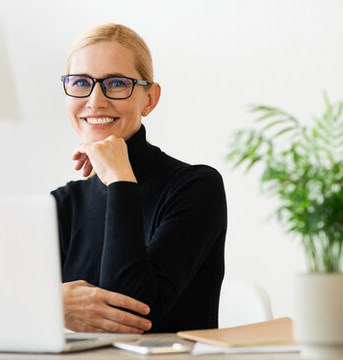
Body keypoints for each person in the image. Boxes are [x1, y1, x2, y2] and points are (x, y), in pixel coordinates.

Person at [51, 23, 227, 334]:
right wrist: (52, 305)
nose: (95, 100)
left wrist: (120, 178)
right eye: (80, 82)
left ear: (149, 99)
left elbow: (131, 310)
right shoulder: (62, 204)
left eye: (116, 83)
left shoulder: (197, 187)